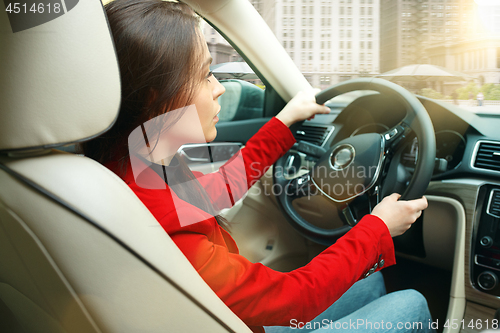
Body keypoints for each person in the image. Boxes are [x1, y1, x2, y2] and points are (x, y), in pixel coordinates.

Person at [81, 1, 433, 332]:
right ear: (154, 99)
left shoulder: (132, 165)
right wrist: (378, 228)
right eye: (205, 75)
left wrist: (284, 121)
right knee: (413, 303)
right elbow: (296, 296)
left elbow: (219, 188)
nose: (219, 88)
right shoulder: (163, 219)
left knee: (368, 278)